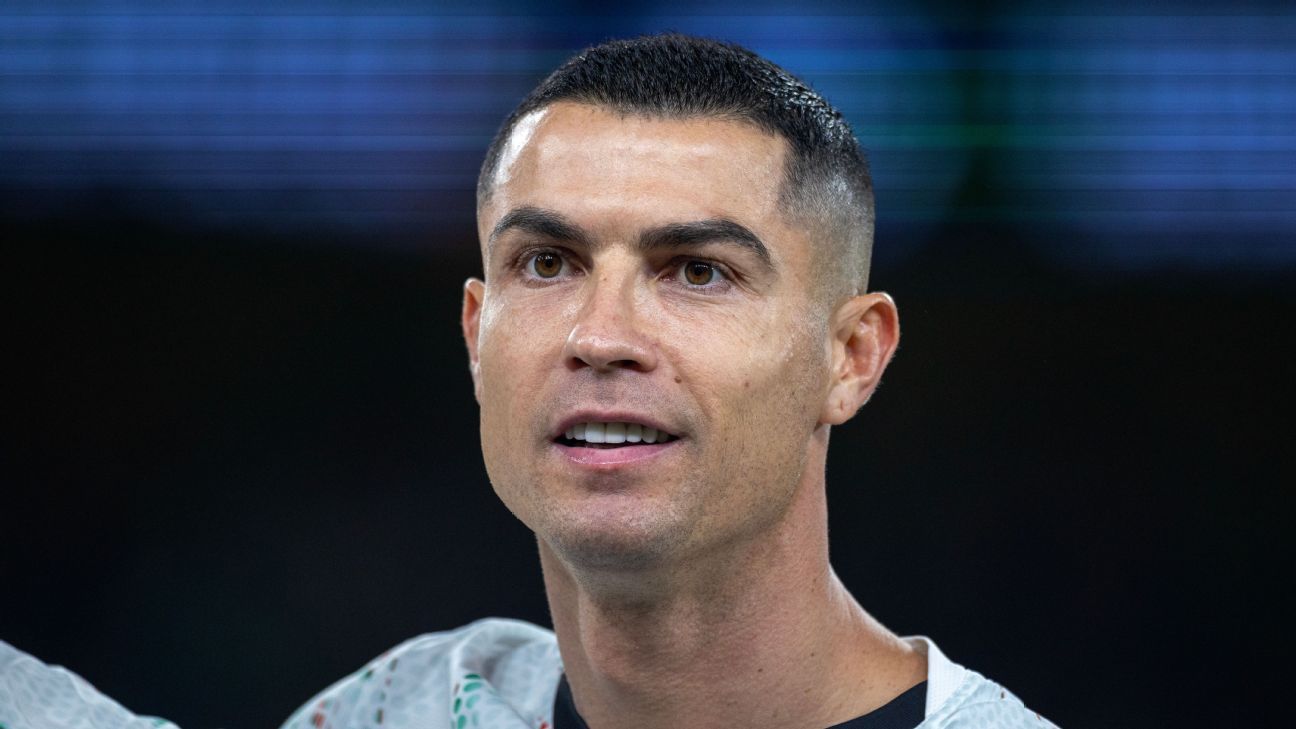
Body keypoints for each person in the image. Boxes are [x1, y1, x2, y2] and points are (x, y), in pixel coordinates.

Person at [0, 34, 1056, 729]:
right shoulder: (412, 708)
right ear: (476, 334)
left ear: (852, 356)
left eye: (697, 271)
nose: (601, 335)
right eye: (547, 263)